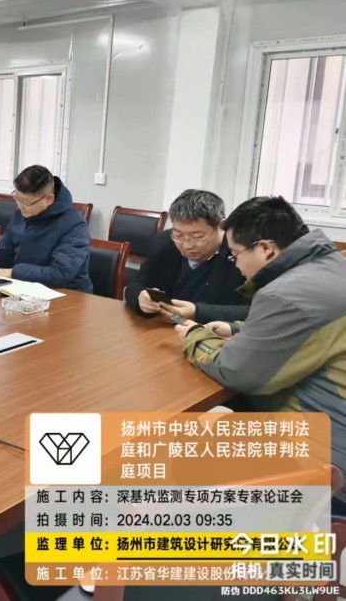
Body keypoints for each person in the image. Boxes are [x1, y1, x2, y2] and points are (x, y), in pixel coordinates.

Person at [176, 197, 346, 507]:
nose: (237, 265)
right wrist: (237, 329)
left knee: (184, 449)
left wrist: (194, 335)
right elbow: (307, 330)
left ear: (265, 248)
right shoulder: (333, 266)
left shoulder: (286, 293)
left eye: (235, 255)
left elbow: (237, 372)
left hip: (325, 462)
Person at [0, 165, 92, 292]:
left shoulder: (74, 225)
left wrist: (13, 272)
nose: (20, 206)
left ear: (49, 199)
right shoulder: (22, 214)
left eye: (26, 202)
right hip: (24, 290)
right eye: (17, 198)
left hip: (67, 295)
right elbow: (4, 256)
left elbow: (60, 274)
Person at [124, 189, 250, 323]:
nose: (187, 245)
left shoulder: (242, 253)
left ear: (221, 226)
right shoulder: (165, 243)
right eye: (178, 235)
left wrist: (197, 312)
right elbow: (137, 283)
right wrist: (141, 299)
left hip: (212, 331)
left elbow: (254, 310)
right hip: (165, 327)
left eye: (197, 237)